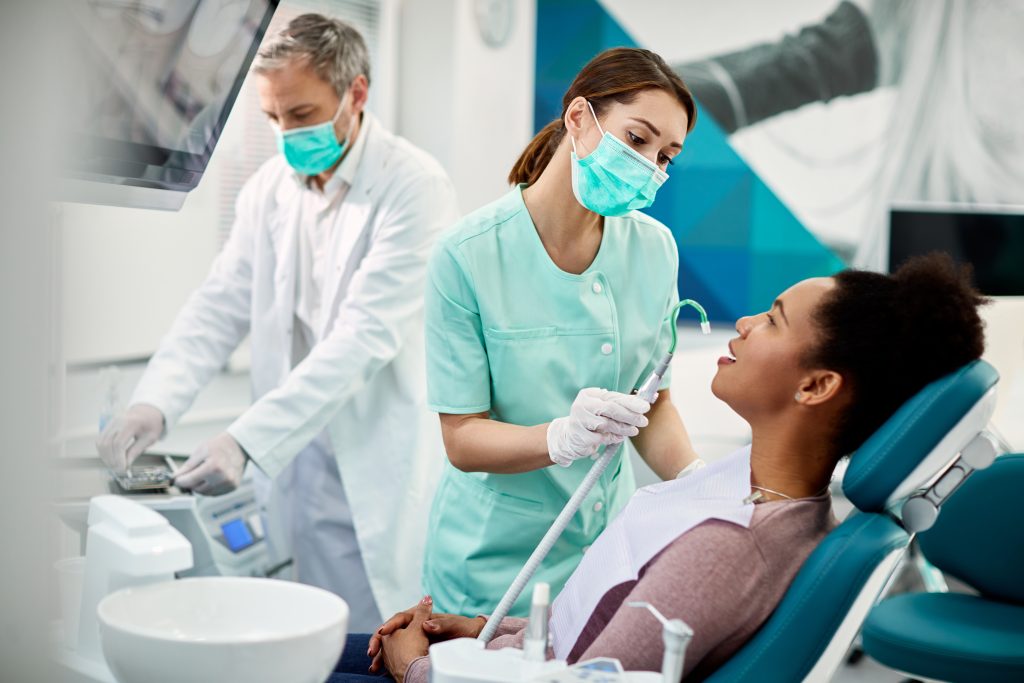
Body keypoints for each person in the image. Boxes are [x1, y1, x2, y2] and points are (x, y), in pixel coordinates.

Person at [321, 252, 986, 682]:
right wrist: (480, 629)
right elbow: (606, 634)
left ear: (814, 387)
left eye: (775, 319)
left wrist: (418, 672)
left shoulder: (732, 547)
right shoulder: (750, 492)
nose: (748, 321)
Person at [95, 14, 459, 631]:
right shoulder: (269, 187)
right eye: (272, 117)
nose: (285, 133)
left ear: (357, 94)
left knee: (370, 642)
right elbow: (220, 304)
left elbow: (361, 339)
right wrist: (152, 404)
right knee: (291, 632)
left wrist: (243, 440)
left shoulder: (413, 186)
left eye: (300, 114)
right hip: (289, 461)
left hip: (372, 465)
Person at [420, 47, 704, 619]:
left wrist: (696, 482)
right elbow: (462, 438)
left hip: (605, 552)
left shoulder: (654, 248)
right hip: (492, 564)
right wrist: (560, 438)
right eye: (637, 139)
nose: (651, 166)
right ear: (579, 118)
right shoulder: (466, 256)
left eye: (666, 155)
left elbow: (655, 404)